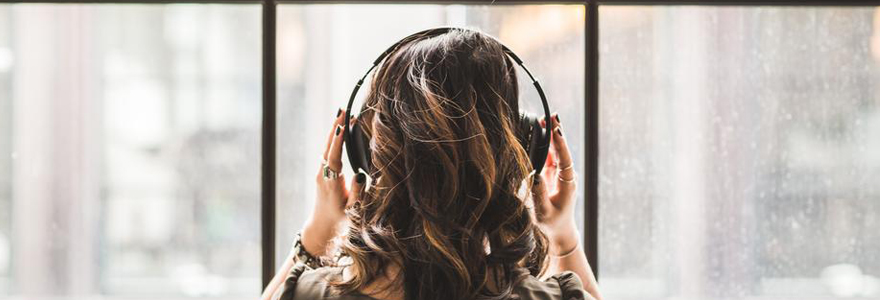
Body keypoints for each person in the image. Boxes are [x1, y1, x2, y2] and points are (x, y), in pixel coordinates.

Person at [261, 28, 602, 300]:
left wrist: (318, 231)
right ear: (524, 149)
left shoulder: (311, 294)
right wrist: (564, 237)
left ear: (365, 153)